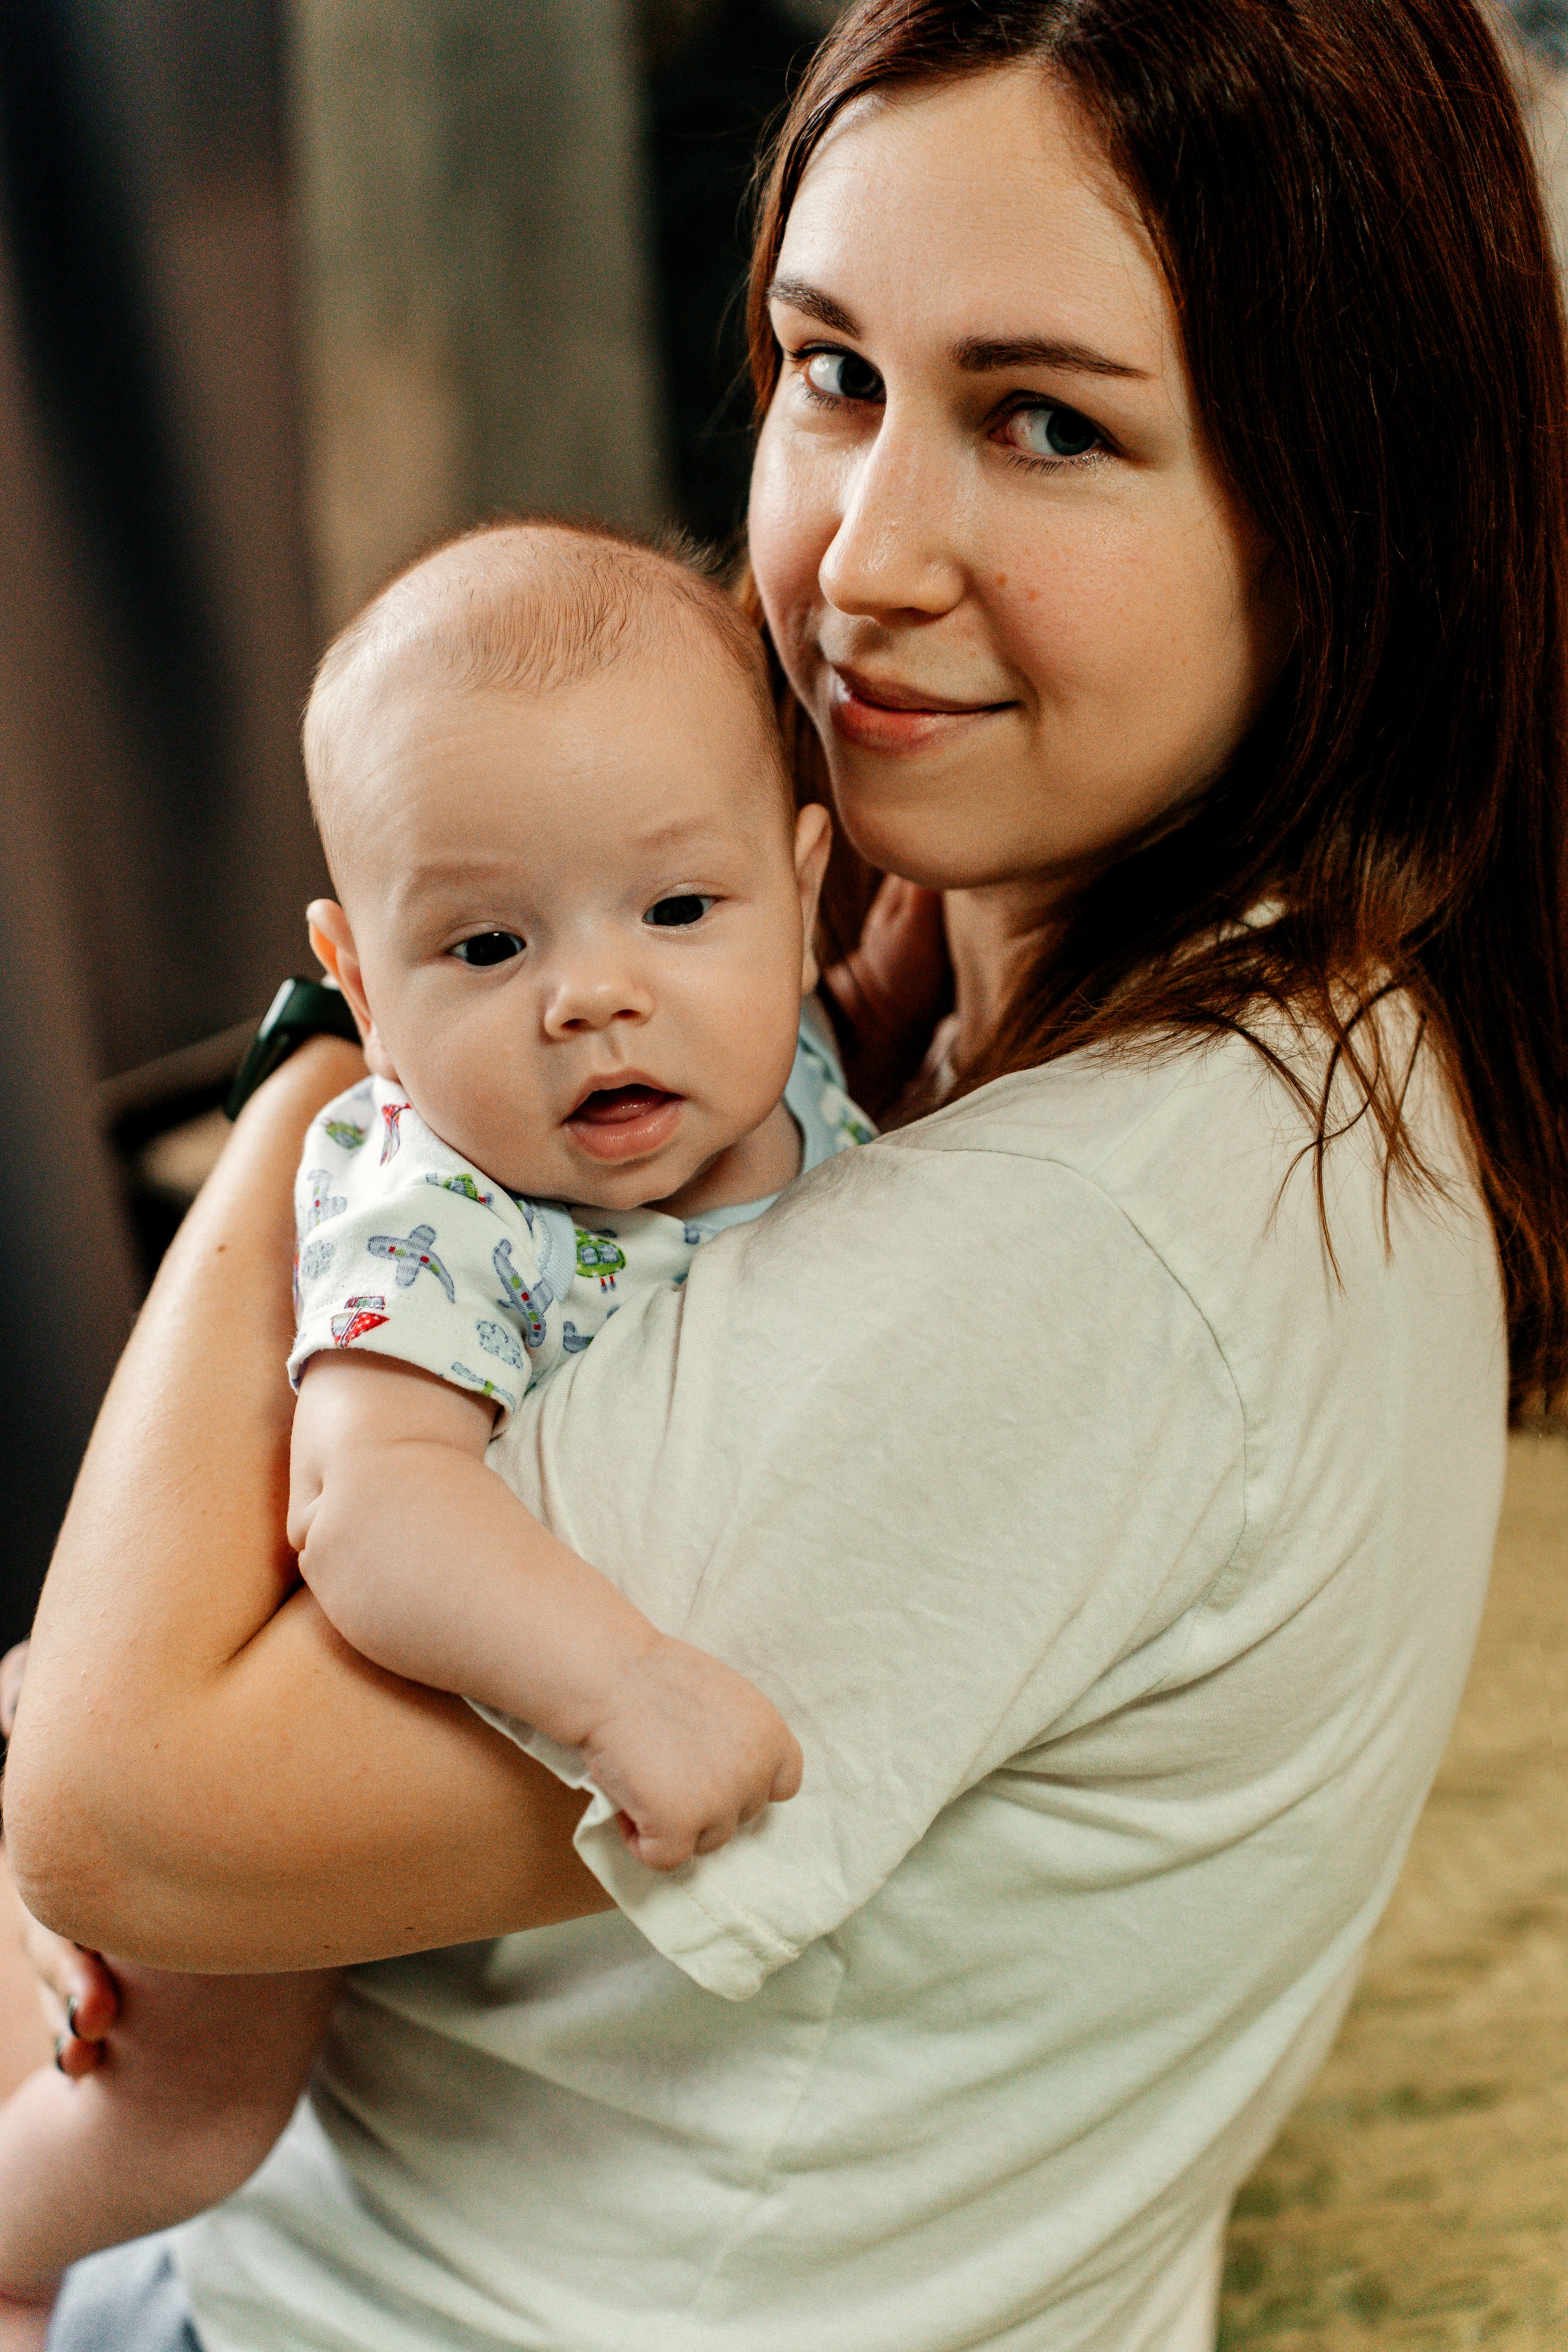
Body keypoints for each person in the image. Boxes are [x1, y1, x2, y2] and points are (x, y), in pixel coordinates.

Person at [7, 1, 1568, 2346]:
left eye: (1047, 426)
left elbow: (115, 1811)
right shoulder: (956, 994)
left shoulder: (1098, 1248)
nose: (866, 562)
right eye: (833, 374)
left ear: (1344, 504)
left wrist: (332, 1083)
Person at [0, 516, 892, 2302]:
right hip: (260, 1694)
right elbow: (372, 1511)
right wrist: (618, 1685)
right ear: (356, 981)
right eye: (484, 947)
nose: (594, 993)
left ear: (806, 892)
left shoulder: (782, 1058)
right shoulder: (447, 1212)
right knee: (179, 2122)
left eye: (678, 906)